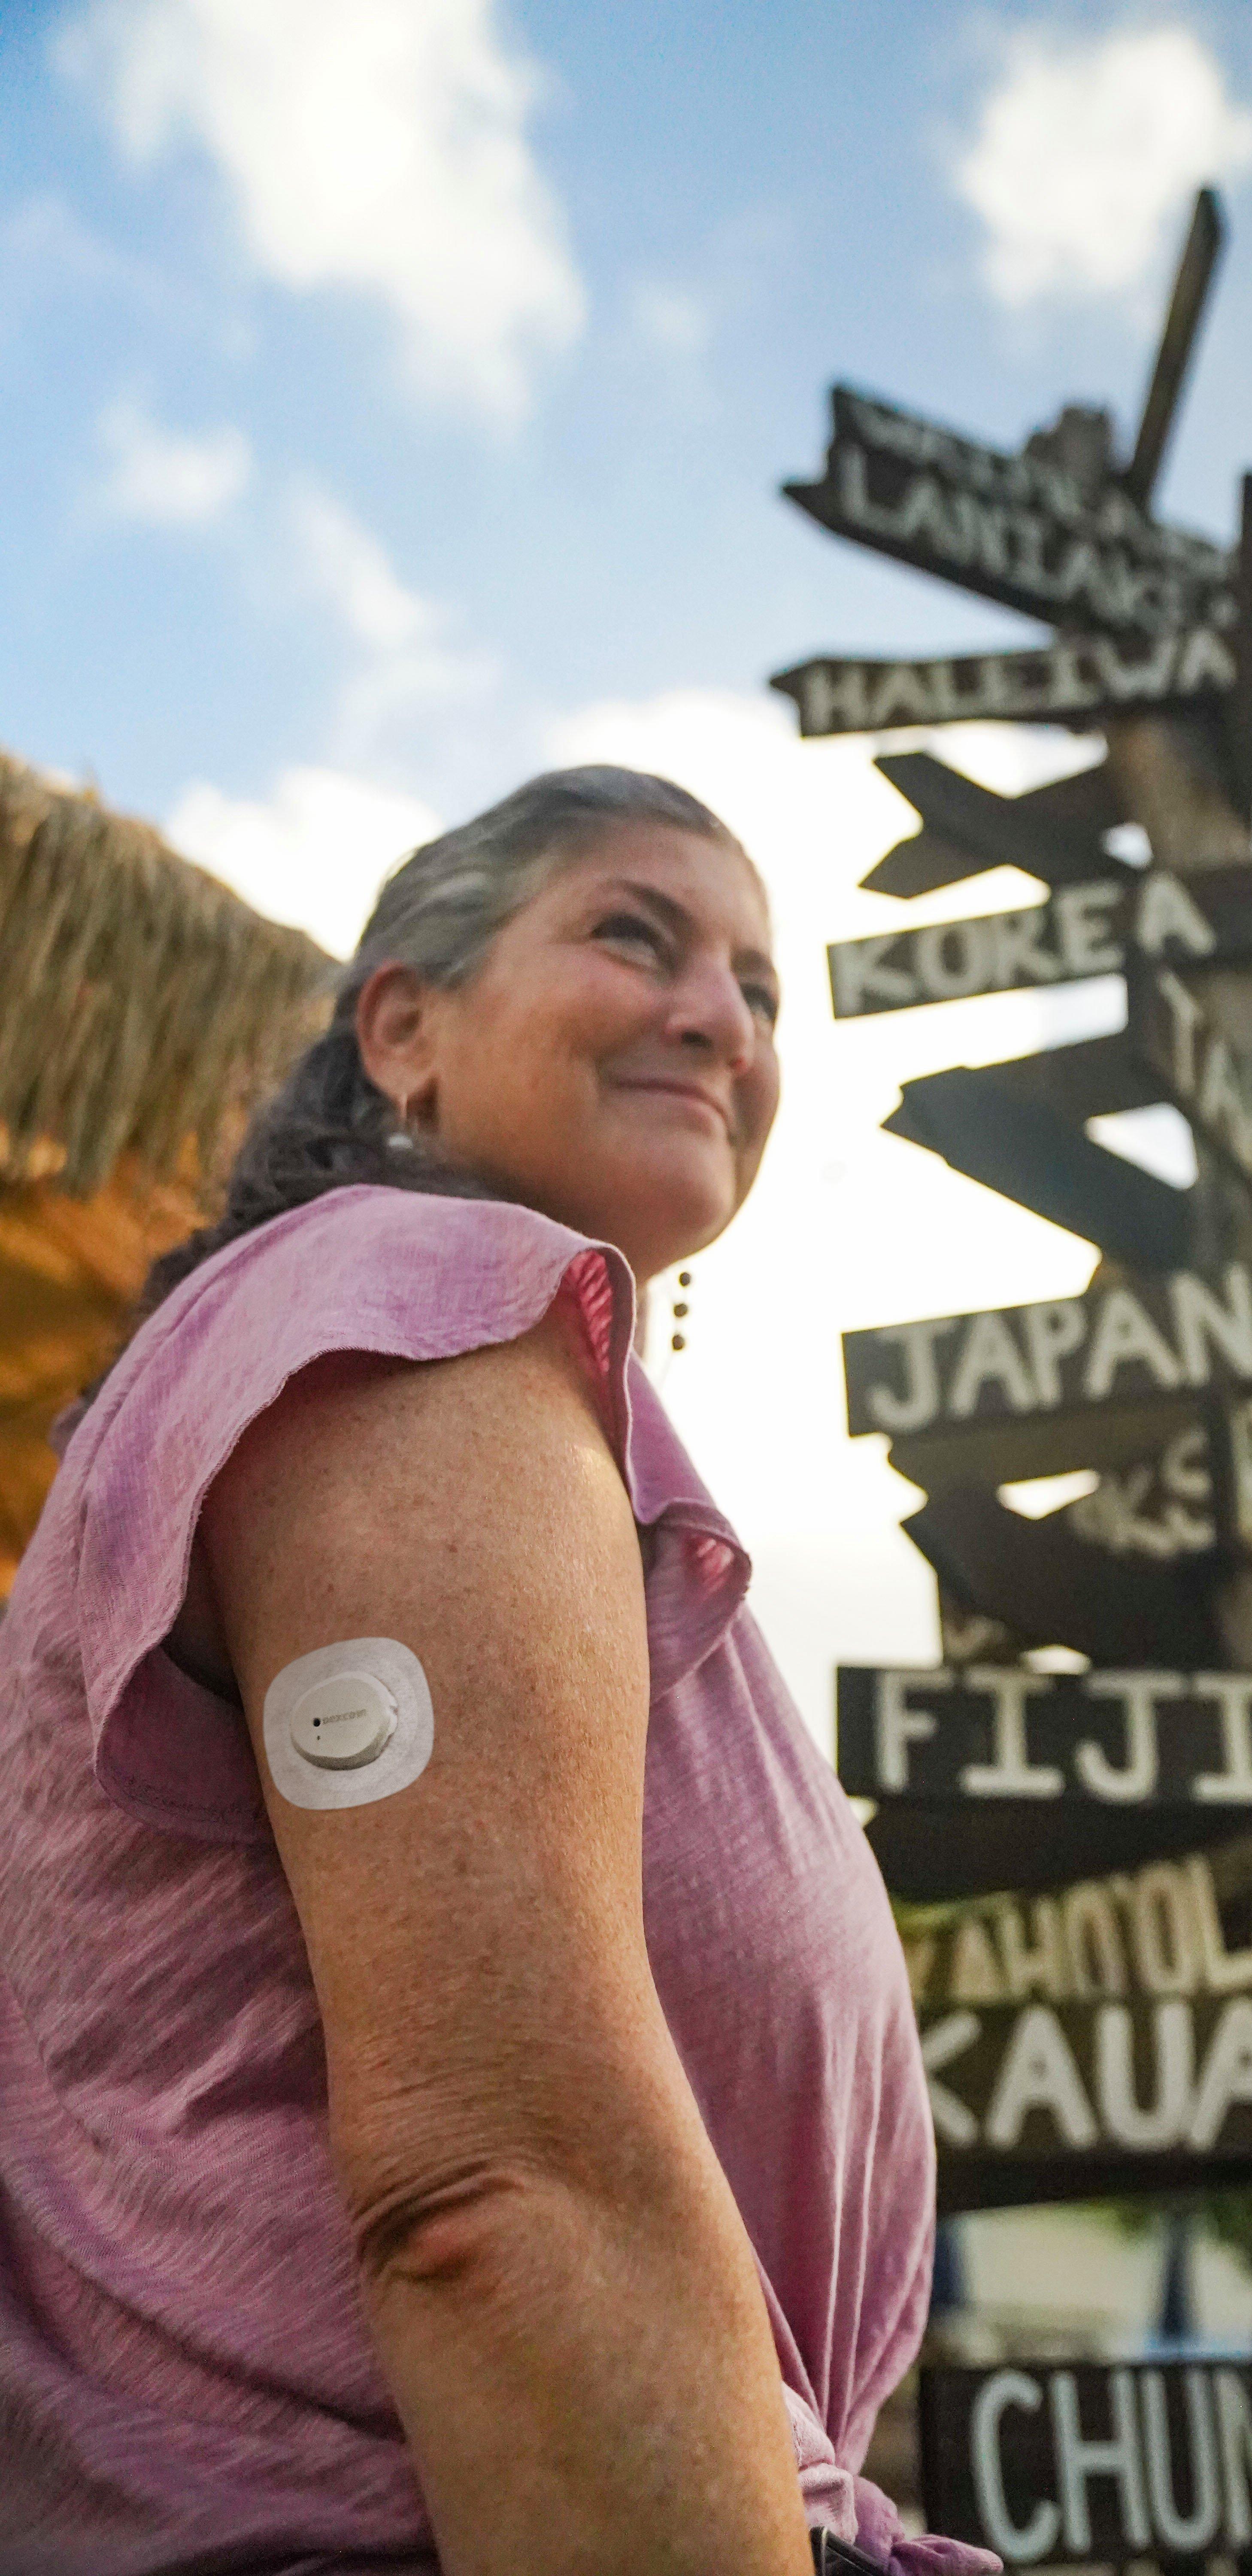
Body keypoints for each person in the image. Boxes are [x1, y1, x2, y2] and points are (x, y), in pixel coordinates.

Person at [0, 768, 998, 2576]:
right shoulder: (416, 1304)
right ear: (405, 1026)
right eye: (636, 935)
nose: (722, 1017)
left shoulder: (464, 1378)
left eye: (764, 991)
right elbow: (495, 2199)